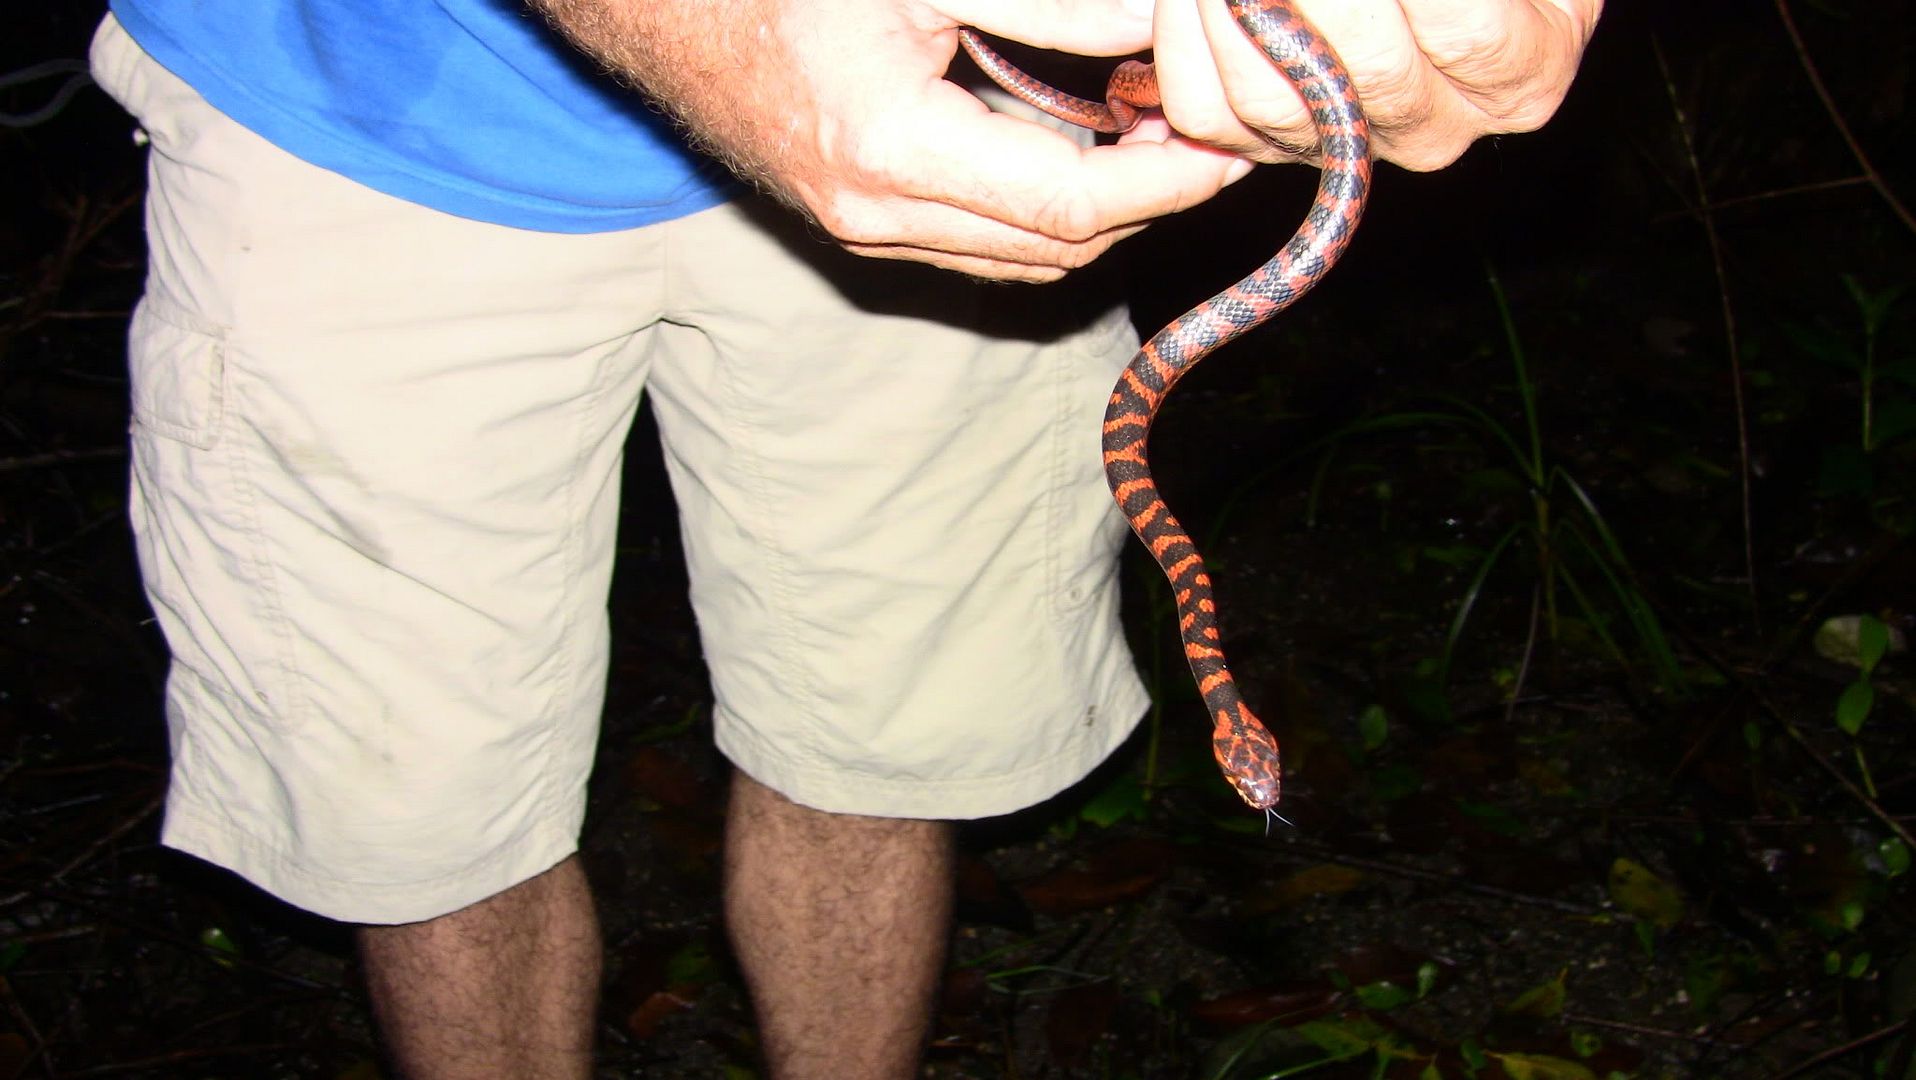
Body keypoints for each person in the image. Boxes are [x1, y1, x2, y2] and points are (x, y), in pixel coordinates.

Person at [88, 0, 1600, 1076]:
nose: (1249, 779)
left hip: (953, 113)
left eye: (1248, 767)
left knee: (886, 740)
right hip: (360, 114)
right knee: (421, 817)